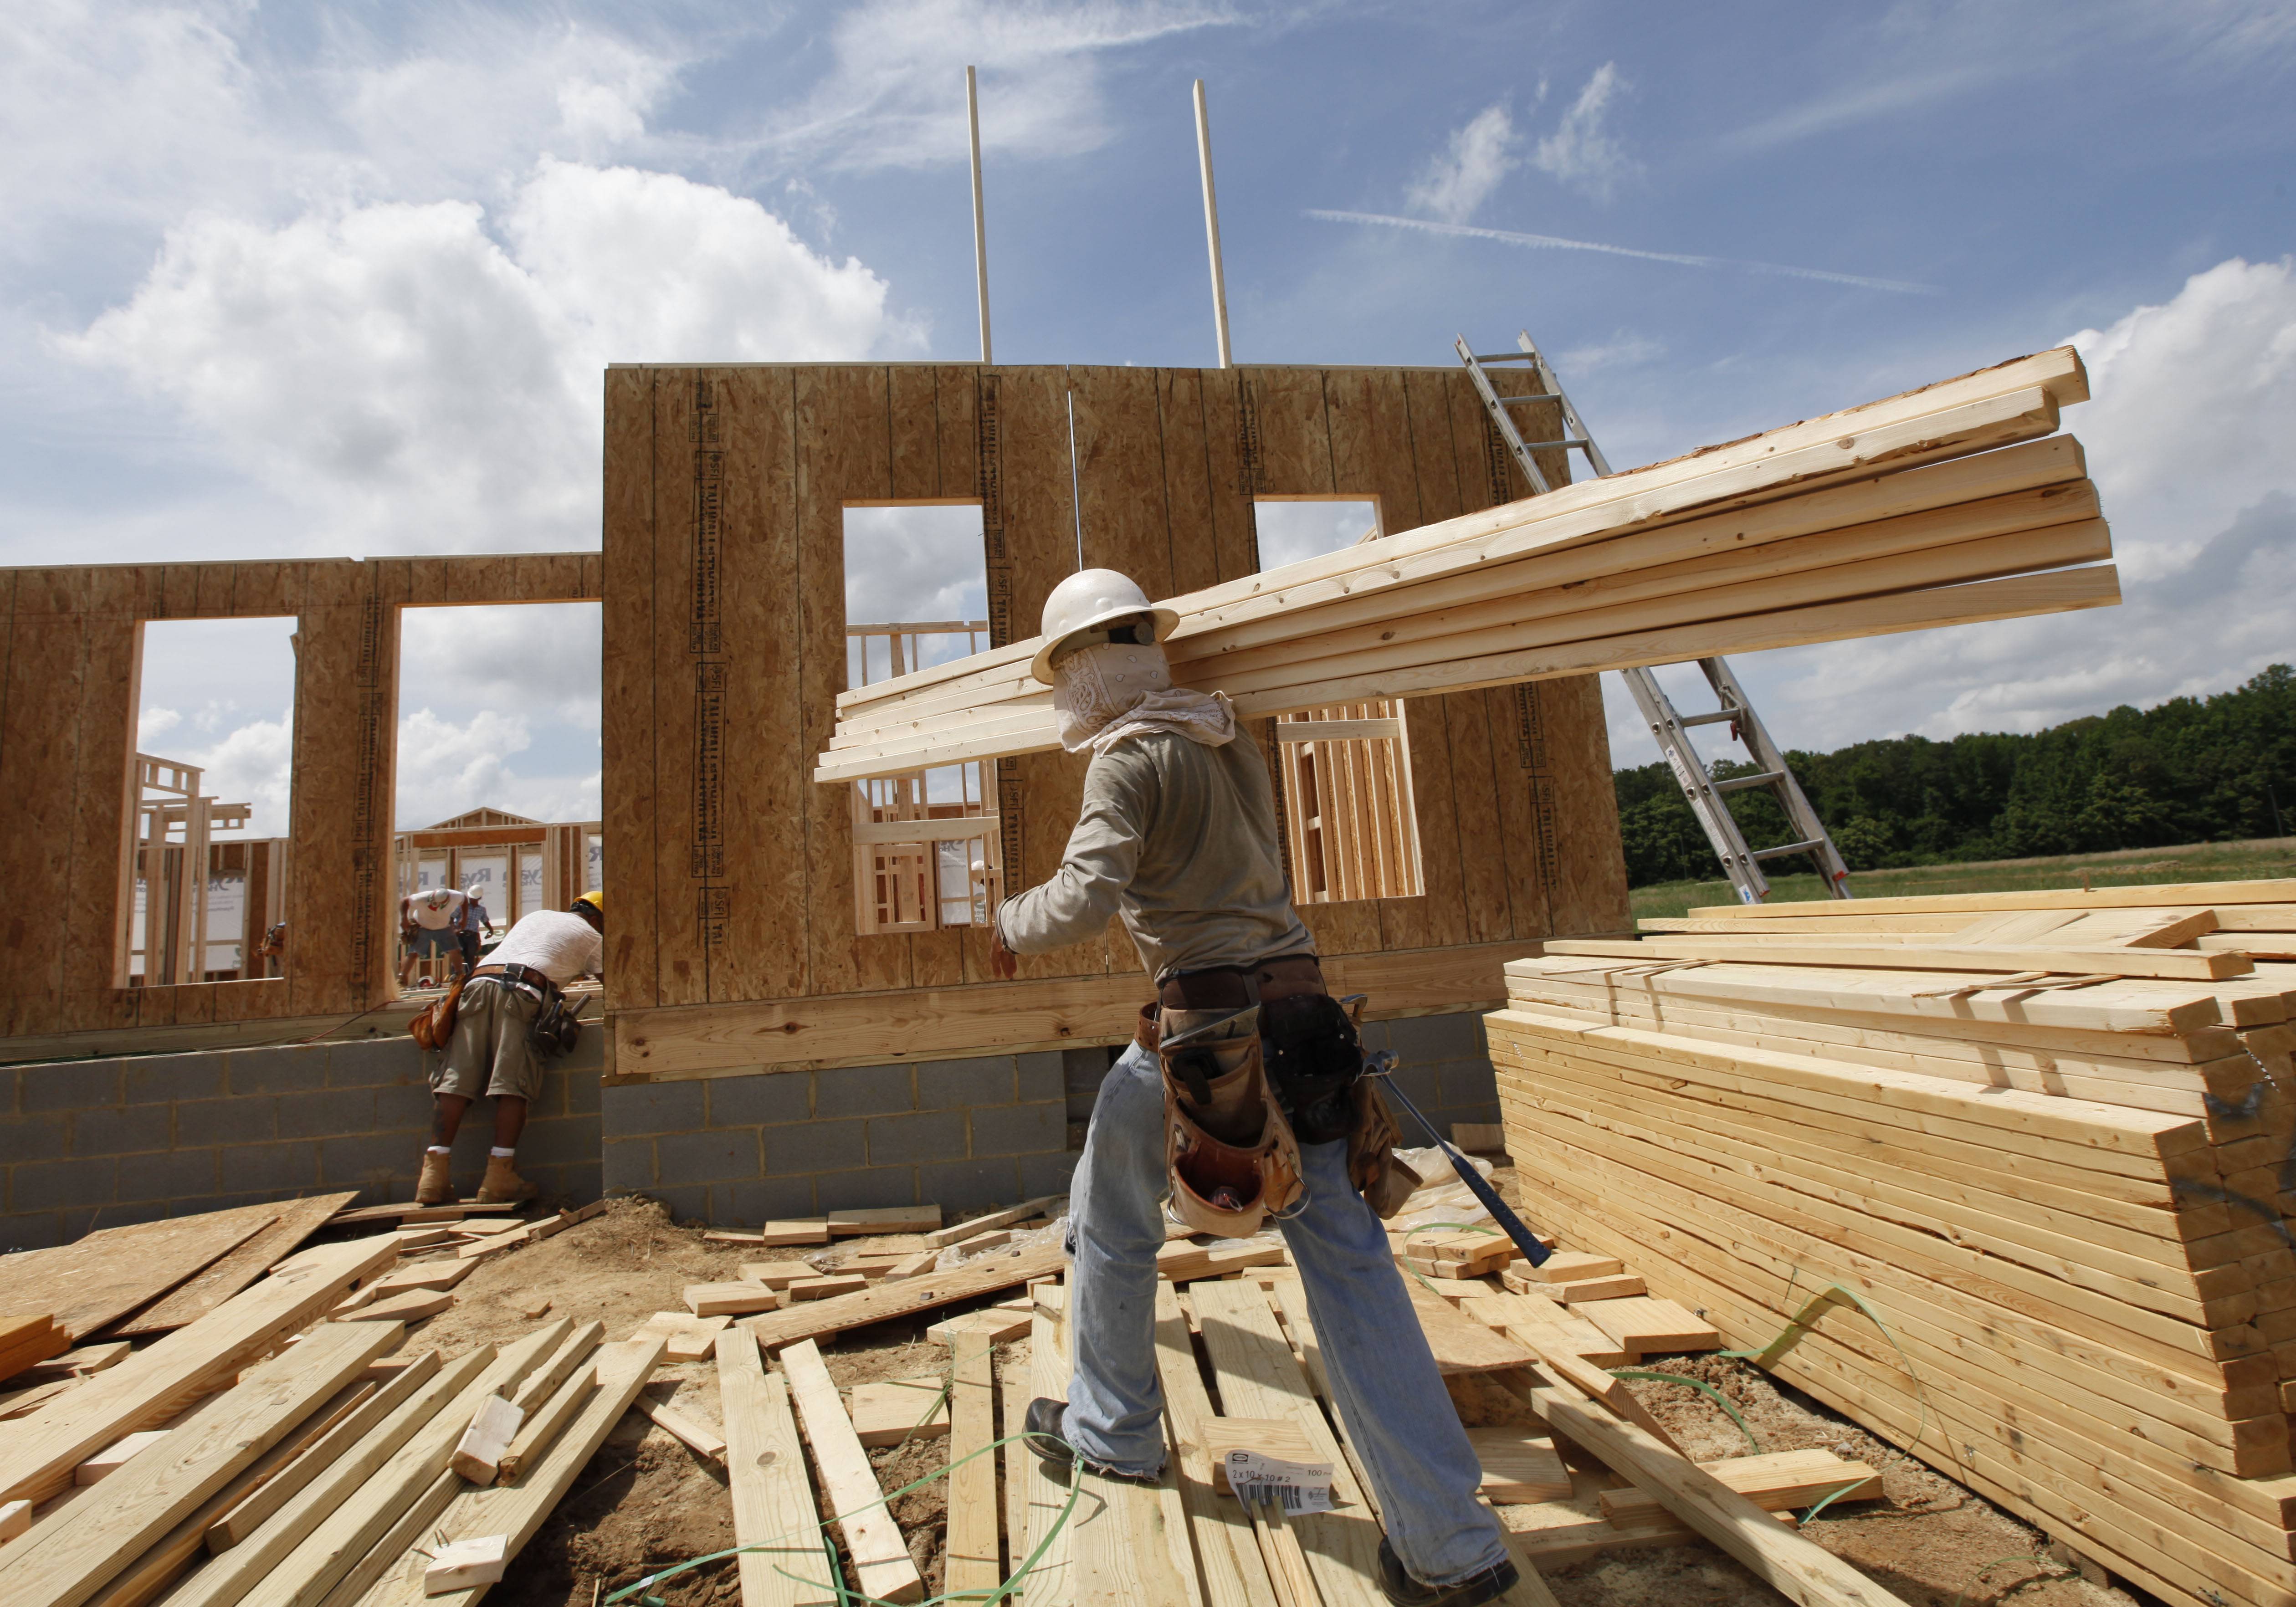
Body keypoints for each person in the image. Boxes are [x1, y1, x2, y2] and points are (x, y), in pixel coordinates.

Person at [989, 570, 1518, 1607]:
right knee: (1354, 1262)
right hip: (1304, 1021)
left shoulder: (1128, 759)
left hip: (1208, 1045)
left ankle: (1114, 1433)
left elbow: (1085, 896)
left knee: (1107, 1218)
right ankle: (1451, 1547)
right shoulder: (1224, 736)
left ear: (1081, 669)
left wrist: (1006, 922)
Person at [416, 891, 605, 1206]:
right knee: (513, 1082)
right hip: (521, 993)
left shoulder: (537, 916)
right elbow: (618, 986)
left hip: (475, 986)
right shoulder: (593, 936)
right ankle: (499, 1177)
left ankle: (432, 1177)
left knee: (455, 1082)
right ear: (598, 918)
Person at [400, 885, 468, 988]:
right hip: (423, 926)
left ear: (446, 902)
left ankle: (460, 978)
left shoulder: (455, 896)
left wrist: (464, 918)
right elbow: (404, 901)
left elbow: (465, 900)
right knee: (414, 953)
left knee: (455, 950)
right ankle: (401, 980)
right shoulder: (422, 898)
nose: (434, 906)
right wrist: (404, 918)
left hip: (444, 927)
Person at [458, 883, 494, 977]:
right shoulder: (462, 907)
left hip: (472, 936)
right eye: (471, 898)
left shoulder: (481, 910)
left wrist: (491, 930)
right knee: (458, 953)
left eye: (474, 899)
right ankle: (457, 975)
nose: (472, 900)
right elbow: (451, 918)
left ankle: (469, 976)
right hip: (460, 935)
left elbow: (485, 921)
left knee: (470, 956)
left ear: (479, 899)